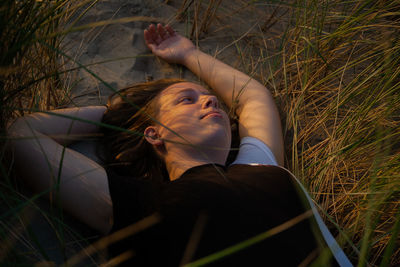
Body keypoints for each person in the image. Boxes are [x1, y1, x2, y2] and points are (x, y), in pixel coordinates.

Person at [8, 24, 351, 266]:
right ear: (153, 134)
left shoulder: (259, 164)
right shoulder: (138, 203)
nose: (211, 102)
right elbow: (24, 133)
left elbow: (251, 97)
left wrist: (188, 53)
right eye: (187, 100)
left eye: (212, 99)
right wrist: (120, 114)